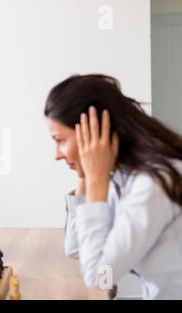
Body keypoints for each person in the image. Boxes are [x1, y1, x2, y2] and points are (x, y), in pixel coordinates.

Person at [44, 74, 182, 299]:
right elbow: (75, 247)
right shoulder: (119, 176)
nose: (57, 155)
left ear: (94, 132)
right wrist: (85, 178)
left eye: (61, 140)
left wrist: (95, 179)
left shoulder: (152, 184)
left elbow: (100, 277)